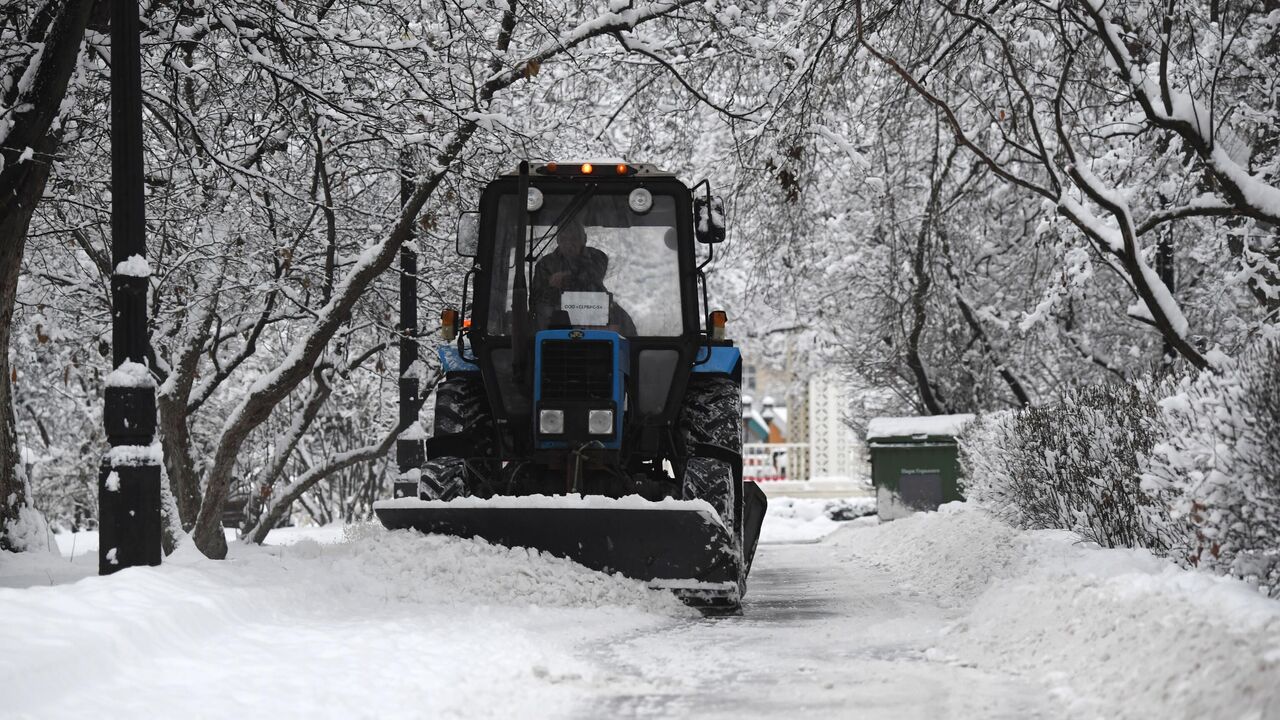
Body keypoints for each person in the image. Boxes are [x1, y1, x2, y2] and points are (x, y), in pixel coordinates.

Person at [530, 220, 635, 334]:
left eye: (574, 239)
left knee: (623, 323)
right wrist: (551, 286)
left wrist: (567, 277)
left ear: (584, 239)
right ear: (558, 240)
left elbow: (593, 276)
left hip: (595, 309)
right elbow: (536, 299)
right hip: (557, 316)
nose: (569, 243)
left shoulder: (597, 256)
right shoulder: (545, 263)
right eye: (564, 239)